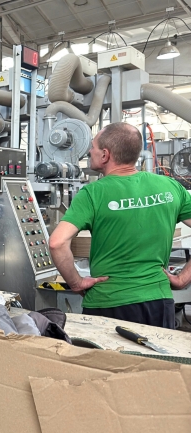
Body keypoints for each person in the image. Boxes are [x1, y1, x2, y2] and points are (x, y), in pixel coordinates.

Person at [49, 122, 191, 328]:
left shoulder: (93, 193)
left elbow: (57, 243)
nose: (89, 151)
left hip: (107, 301)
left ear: (105, 155)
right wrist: (182, 279)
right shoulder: (170, 186)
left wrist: (76, 282)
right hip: (158, 300)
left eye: (93, 147)